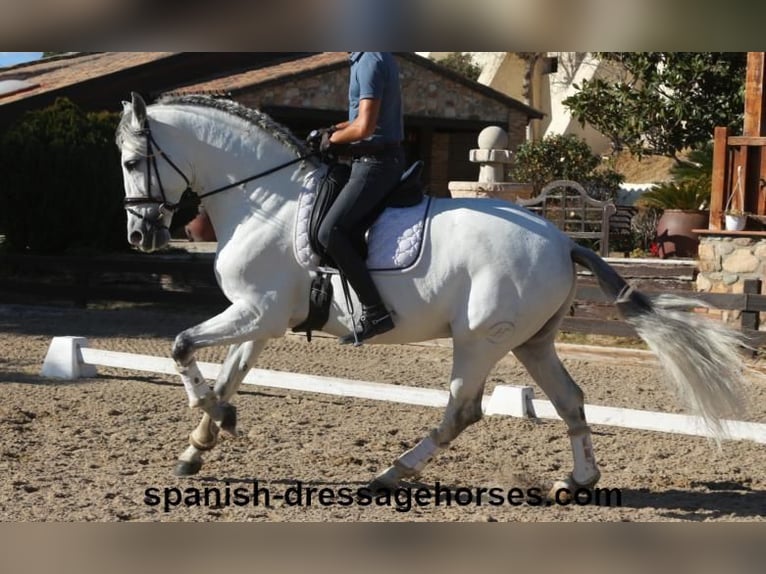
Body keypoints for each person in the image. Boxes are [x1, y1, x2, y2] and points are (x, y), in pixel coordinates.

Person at [315, 52, 405, 345]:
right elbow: (358, 120)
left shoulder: (370, 60)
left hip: (375, 164)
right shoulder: (371, 56)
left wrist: (331, 140)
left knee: (330, 231)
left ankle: (375, 311)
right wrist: (332, 131)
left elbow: (364, 127)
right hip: (371, 159)